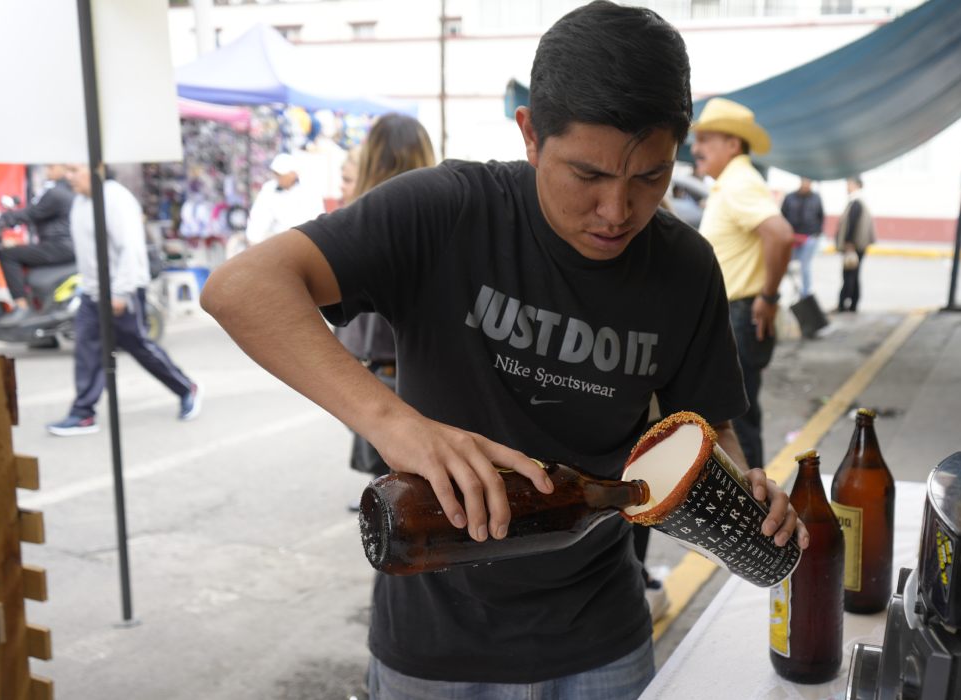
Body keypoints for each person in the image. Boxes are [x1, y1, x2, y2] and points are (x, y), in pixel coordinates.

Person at [201, 3, 807, 698]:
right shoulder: (449, 210)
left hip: (600, 639)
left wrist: (744, 489)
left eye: (649, 177)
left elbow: (713, 427)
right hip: (434, 643)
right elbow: (241, 287)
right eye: (587, 175)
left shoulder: (684, 266)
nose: (617, 211)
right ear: (530, 134)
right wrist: (397, 425)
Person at [45, 165, 202, 437]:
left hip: (121, 292)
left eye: (74, 170)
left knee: (140, 346)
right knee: (87, 351)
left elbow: (131, 249)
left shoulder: (115, 199)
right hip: (92, 293)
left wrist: (121, 292)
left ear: (97, 167)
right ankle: (83, 413)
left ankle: (185, 388)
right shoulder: (81, 203)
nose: (68, 176)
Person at [335, 115, 437, 512]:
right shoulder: (436, 218)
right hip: (413, 374)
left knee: (401, 508)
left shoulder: (361, 220)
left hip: (375, 370)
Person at [691, 97, 794, 473]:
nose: (696, 148)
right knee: (735, 420)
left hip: (739, 313)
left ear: (733, 144)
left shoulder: (738, 181)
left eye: (706, 139)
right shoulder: (732, 182)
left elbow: (780, 235)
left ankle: (753, 510)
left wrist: (768, 297)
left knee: (736, 423)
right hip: (732, 314)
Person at [0, 164, 76, 326]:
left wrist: (2, 220)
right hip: (62, 245)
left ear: (63, 169)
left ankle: (21, 306)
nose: (47, 170)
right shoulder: (63, 190)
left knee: (9, 254)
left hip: (60, 246)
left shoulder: (56, 193)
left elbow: (31, 213)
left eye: (51, 167)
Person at [244, 153, 324, 247]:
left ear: (293, 174)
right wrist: (253, 239)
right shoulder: (269, 189)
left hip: (304, 242)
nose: (278, 178)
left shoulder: (309, 190)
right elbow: (259, 216)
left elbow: (317, 219)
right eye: (276, 174)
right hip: (277, 242)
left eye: (281, 175)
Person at [835, 176, 875, 313]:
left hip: (853, 246)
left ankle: (844, 304)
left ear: (857, 185)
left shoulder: (856, 202)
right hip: (857, 245)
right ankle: (852, 304)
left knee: (849, 275)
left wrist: (849, 243)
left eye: (849, 184)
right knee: (854, 275)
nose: (847, 187)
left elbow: (851, 225)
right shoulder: (858, 201)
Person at [781, 177, 825, 299]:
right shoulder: (790, 197)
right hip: (792, 236)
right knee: (784, 264)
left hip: (809, 236)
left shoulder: (816, 198)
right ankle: (782, 290)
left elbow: (820, 216)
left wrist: (817, 234)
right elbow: (783, 214)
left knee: (805, 266)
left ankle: (805, 294)